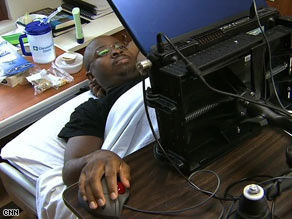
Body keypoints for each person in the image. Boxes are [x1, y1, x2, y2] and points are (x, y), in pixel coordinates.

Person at [58, 35, 144, 210]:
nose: (116, 51)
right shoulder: (93, 109)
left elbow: (142, 37)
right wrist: (97, 157)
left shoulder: (162, 70)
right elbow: (69, 172)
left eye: (120, 46)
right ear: (91, 77)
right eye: (103, 52)